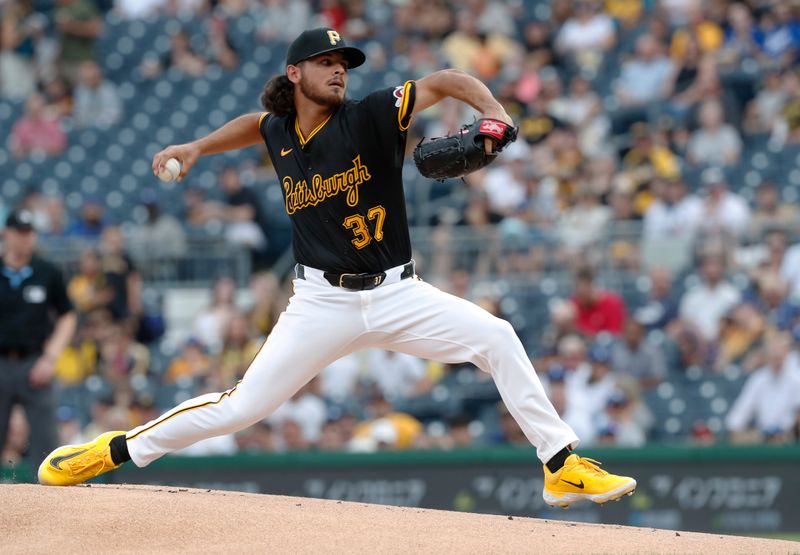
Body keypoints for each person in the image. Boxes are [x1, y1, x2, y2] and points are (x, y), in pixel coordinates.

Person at [39, 28, 636, 508]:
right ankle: (114, 451)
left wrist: (495, 112)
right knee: (240, 408)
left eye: (343, 62)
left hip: (400, 293)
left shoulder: (372, 114)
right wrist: (197, 147)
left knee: (497, 336)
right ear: (295, 73)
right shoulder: (280, 130)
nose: (339, 68)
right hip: (321, 304)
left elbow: (448, 80)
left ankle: (560, 466)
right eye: (326, 61)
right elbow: (258, 127)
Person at [0, 210, 77, 468]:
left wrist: (50, 357)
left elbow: (67, 316)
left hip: (35, 363)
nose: (26, 238)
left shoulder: (47, 272)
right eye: (20, 232)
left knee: (47, 447)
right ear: (6, 234)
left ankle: (52, 504)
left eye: (30, 232)